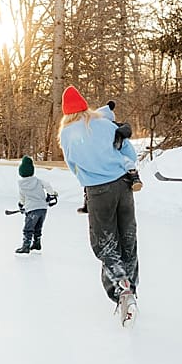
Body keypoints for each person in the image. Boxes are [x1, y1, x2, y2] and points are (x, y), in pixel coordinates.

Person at [58, 86, 141, 319]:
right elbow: (129, 154)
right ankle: (131, 289)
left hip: (97, 191)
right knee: (127, 239)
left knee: (104, 243)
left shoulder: (66, 134)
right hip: (124, 186)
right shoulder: (105, 124)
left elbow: (72, 163)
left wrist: (89, 176)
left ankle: (122, 290)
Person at [15, 155, 55, 254]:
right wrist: (51, 195)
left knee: (28, 229)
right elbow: (48, 185)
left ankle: (26, 246)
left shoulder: (21, 185)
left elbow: (22, 197)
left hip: (32, 210)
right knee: (38, 227)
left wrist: (21, 205)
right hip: (42, 208)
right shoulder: (38, 181)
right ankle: (37, 244)